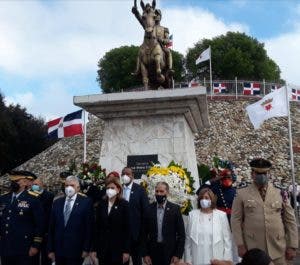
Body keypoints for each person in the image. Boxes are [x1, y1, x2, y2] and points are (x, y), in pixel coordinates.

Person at [231, 158, 298, 265]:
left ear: (269, 173)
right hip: (253, 250)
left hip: (278, 249)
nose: (261, 176)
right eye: (258, 173)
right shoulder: (241, 193)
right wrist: (240, 245)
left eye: (264, 173)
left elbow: (290, 220)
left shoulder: (280, 192)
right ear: (252, 173)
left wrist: (292, 246)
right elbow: (235, 220)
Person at [0, 170, 44, 265]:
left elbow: (40, 225)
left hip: (24, 248)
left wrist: (35, 245)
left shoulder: (33, 199)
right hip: (6, 247)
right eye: (12, 181)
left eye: (16, 181)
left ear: (24, 182)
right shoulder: (3, 199)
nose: (13, 184)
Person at [48, 175, 93, 265]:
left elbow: (89, 227)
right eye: (66, 185)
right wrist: (50, 249)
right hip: (59, 250)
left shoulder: (86, 202)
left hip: (76, 250)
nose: (69, 188)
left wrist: (86, 249)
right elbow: (51, 227)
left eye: (72, 185)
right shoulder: (57, 202)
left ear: (78, 187)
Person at [185, 188, 232, 265]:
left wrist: (225, 261)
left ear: (211, 200)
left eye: (206, 198)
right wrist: (188, 261)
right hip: (197, 258)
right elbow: (188, 241)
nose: (203, 200)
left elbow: (227, 240)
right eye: (201, 198)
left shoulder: (221, 216)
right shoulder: (192, 215)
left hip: (216, 258)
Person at [141, 181, 185, 265]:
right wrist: (145, 254)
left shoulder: (175, 209)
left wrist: (178, 254)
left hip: (170, 253)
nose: (159, 194)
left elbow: (181, 234)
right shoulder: (149, 209)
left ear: (167, 192)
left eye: (161, 191)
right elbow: (143, 234)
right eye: (157, 191)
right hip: (153, 253)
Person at [91, 176, 130, 265]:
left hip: (118, 250)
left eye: (112, 188)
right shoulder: (101, 205)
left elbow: (127, 229)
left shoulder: (124, 205)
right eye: (107, 188)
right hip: (103, 249)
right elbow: (97, 228)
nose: (109, 190)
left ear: (118, 189)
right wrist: (94, 249)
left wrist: (126, 251)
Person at [121, 167, 149, 265]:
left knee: (137, 260)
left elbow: (145, 211)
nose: (125, 176)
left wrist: (142, 232)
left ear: (132, 176)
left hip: (136, 235)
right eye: (123, 173)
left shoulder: (140, 190)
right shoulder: (118, 189)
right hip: (121, 234)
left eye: (128, 174)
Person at [31, 177, 54, 265]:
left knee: (46, 256)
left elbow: (46, 213)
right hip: (34, 231)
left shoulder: (49, 195)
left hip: (45, 231)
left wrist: (36, 196)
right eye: (33, 184)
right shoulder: (30, 195)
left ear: (42, 185)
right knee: (33, 256)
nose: (34, 186)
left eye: (36, 184)